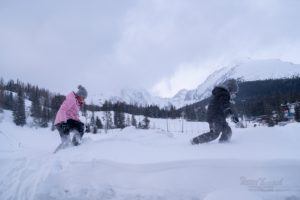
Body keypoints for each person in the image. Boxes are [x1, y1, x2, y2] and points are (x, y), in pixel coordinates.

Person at [191, 79, 239, 144]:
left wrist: (230, 114)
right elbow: (224, 105)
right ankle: (195, 141)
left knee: (227, 131)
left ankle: (224, 144)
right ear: (230, 88)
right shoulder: (224, 94)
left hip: (219, 117)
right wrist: (231, 115)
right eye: (233, 92)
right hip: (214, 117)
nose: (233, 95)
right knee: (214, 134)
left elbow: (224, 105)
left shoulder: (221, 93)